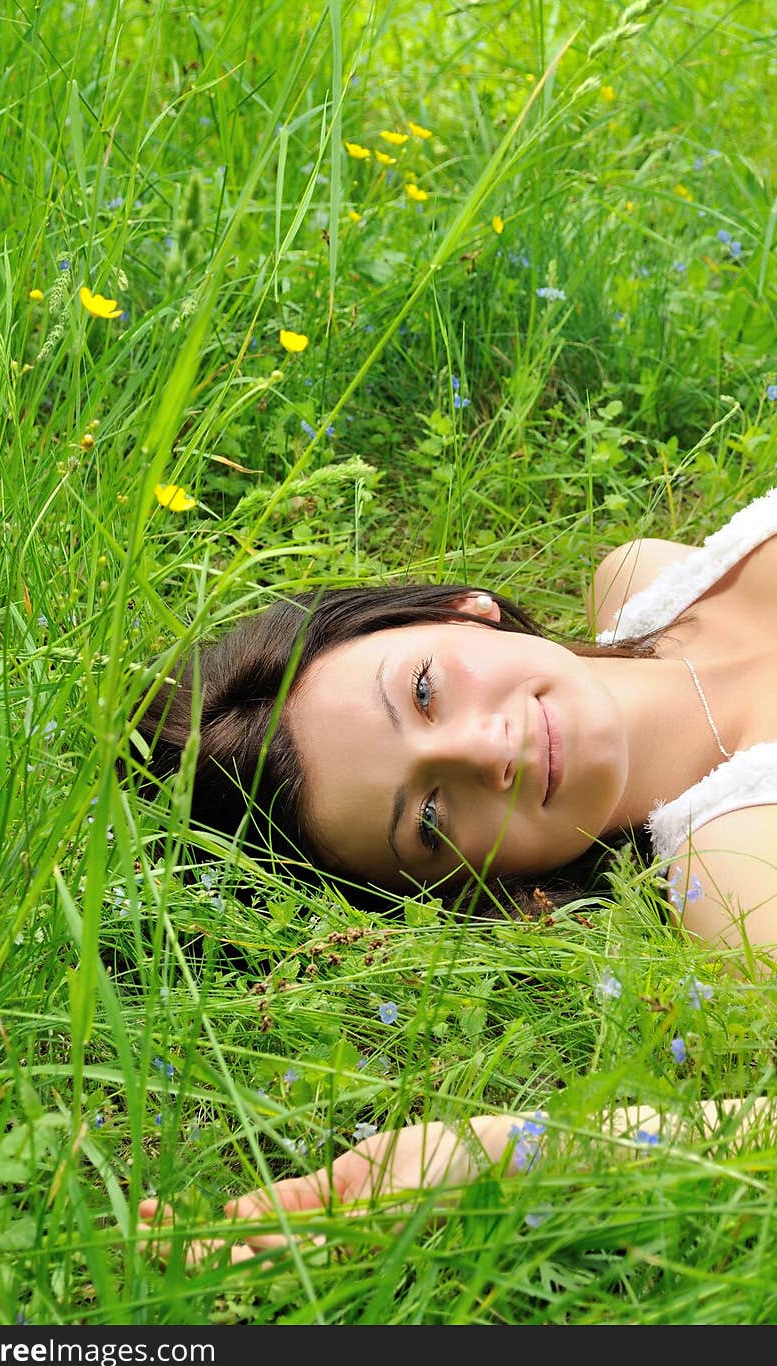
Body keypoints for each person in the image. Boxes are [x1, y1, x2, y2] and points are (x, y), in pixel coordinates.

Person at [134, 485, 777, 1260]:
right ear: (470, 885)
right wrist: (505, 1155)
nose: (485, 751)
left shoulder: (646, 575)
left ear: (464, 609)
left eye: (424, 692)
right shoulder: (738, 871)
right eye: (430, 819)